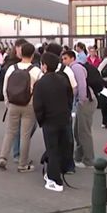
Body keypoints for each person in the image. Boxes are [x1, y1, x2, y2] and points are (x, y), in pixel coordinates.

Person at [0, 43, 42, 173]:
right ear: (32, 55)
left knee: (10, 132)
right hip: (29, 105)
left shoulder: (12, 68)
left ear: (20, 53)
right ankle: (23, 163)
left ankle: (3, 157)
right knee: (25, 135)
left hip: (13, 104)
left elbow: (5, 88)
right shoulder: (36, 71)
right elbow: (40, 91)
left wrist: (8, 103)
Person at [34, 52, 73, 192]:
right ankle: (54, 174)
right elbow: (70, 98)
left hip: (49, 121)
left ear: (44, 65)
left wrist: (41, 120)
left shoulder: (40, 83)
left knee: (52, 149)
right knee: (60, 147)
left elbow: (37, 106)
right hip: (63, 119)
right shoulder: (63, 79)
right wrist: (67, 113)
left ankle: (55, 180)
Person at [63, 51, 96, 169]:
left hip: (86, 101)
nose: (64, 61)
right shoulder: (74, 67)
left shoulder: (76, 67)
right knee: (78, 131)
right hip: (85, 101)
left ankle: (89, 160)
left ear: (72, 58)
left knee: (83, 131)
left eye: (65, 58)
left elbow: (81, 84)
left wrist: (81, 100)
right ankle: (79, 156)